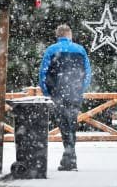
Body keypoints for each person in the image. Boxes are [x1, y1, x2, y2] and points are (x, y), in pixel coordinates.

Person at [39, 24, 92, 171]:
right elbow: (87, 73)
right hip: (74, 93)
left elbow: (43, 73)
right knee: (71, 123)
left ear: (58, 35)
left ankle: (70, 157)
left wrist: (46, 92)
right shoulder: (80, 50)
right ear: (70, 35)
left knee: (64, 124)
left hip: (57, 92)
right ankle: (69, 157)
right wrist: (81, 88)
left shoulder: (51, 50)